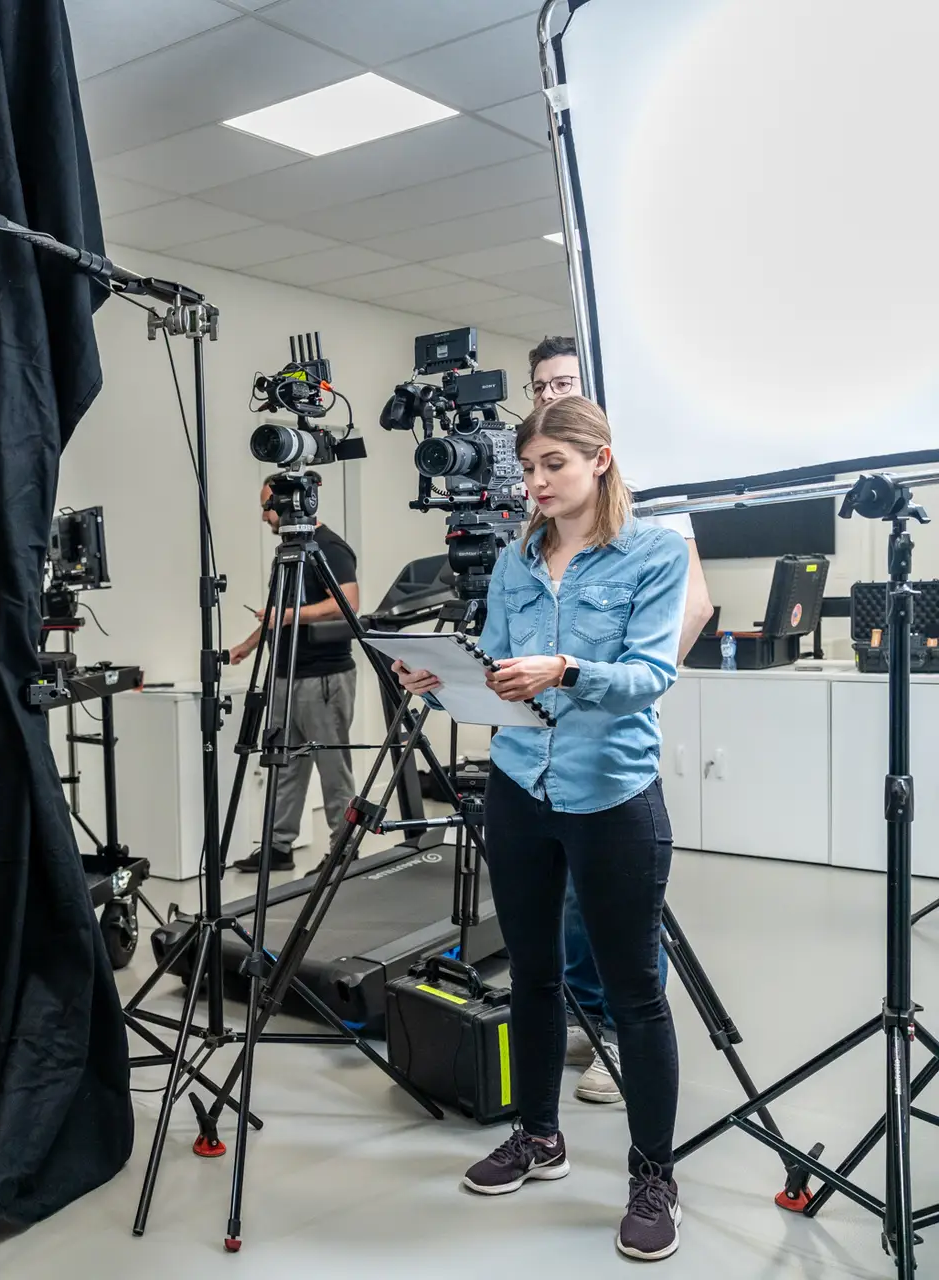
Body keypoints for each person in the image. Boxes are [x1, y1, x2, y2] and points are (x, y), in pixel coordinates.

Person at [395, 395, 689, 1261]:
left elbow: (648, 677)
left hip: (612, 794)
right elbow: (491, 663)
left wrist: (566, 668)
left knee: (634, 994)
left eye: (551, 466)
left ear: (598, 460)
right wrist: (441, 680)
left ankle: (653, 1174)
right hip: (522, 786)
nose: (535, 484)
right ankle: (539, 1135)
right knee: (530, 975)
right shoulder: (522, 559)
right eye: (526, 470)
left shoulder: (655, 552)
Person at [525, 335, 712, 1106]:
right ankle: (585, 1015)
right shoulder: (540, 496)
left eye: (563, 382)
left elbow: (693, 605)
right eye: (539, 385)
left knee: (614, 903)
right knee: (561, 895)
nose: (547, 394)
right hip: (539, 737)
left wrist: (626, 684)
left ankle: (620, 1035)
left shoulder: (653, 501)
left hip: (606, 725)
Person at [224, 475, 359, 873]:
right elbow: (278, 611)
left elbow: (347, 603)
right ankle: (278, 847)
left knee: (332, 769)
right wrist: (248, 645)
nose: (265, 516)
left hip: (322, 678)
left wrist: (285, 617)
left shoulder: (330, 548)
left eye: (269, 506)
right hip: (284, 674)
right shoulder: (288, 551)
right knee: (283, 765)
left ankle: (341, 851)